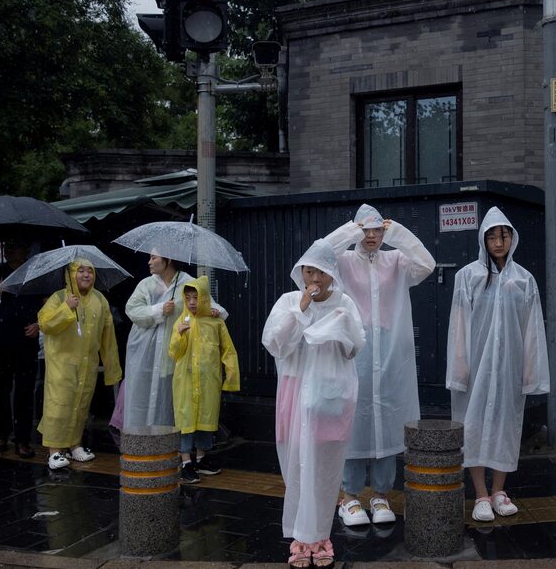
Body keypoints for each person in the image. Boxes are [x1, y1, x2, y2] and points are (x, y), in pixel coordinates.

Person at [324, 204, 434, 527]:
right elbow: (319, 255)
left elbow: (426, 264)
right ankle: (349, 496)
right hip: (355, 348)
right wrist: (349, 231)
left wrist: (397, 232)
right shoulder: (344, 262)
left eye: (377, 230)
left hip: (388, 349)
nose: (371, 236)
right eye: (365, 230)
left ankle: (381, 494)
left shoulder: (396, 261)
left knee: (387, 418)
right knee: (353, 417)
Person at [262, 239, 365, 569]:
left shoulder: (345, 303)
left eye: (321, 271)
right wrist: (301, 309)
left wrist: (342, 327)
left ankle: (320, 536)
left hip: (329, 395)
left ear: (332, 273)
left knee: (324, 467)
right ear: (300, 272)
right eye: (309, 271)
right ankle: (300, 538)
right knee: (297, 467)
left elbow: (354, 348)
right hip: (294, 393)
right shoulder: (288, 301)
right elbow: (275, 343)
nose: (315, 278)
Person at [446, 207, 549, 521]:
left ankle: (499, 491)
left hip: (509, 367)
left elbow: (532, 328)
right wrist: (459, 366)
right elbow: (459, 325)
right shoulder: (468, 276)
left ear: (512, 238)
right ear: (483, 240)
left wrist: (530, 368)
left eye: (503, 236)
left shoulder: (523, 280)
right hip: (476, 367)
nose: (499, 242)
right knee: (474, 426)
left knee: (506, 427)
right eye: (492, 237)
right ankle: (480, 493)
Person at [110, 254, 225, 436]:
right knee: (141, 395)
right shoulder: (146, 284)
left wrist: (211, 311)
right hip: (145, 351)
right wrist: (158, 310)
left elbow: (211, 307)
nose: (149, 262)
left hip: (173, 351)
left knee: (171, 398)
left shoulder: (188, 283)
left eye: (154, 258)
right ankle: (141, 439)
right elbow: (132, 310)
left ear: (168, 260)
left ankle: (169, 441)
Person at [37, 258, 123, 470]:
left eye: (90, 271)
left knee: (80, 405)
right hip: (62, 364)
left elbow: (108, 337)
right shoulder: (59, 297)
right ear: (71, 274)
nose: (86, 275)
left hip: (88, 365)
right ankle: (55, 450)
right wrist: (66, 308)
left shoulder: (100, 300)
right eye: (81, 271)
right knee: (59, 405)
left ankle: (75, 444)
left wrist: (112, 369)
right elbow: (45, 324)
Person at [168, 275, 239, 484]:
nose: (192, 302)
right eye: (188, 298)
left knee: (206, 419)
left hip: (208, 381)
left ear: (205, 298)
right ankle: (186, 462)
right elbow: (174, 353)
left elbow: (228, 350)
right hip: (186, 381)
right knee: (186, 420)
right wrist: (179, 335)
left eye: (196, 297)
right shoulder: (181, 322)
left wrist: (232, 375)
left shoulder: (216, 322)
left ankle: (201, 458)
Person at [0, 242, 41, 459]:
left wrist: (40, 324)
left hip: (26, 342)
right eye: (7, 247)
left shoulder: (35, 273)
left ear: (26, 250)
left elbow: (49, 304)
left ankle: (23, 439)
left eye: (15, 246)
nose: (10, 251)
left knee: (25, 392)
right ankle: (1, 434)